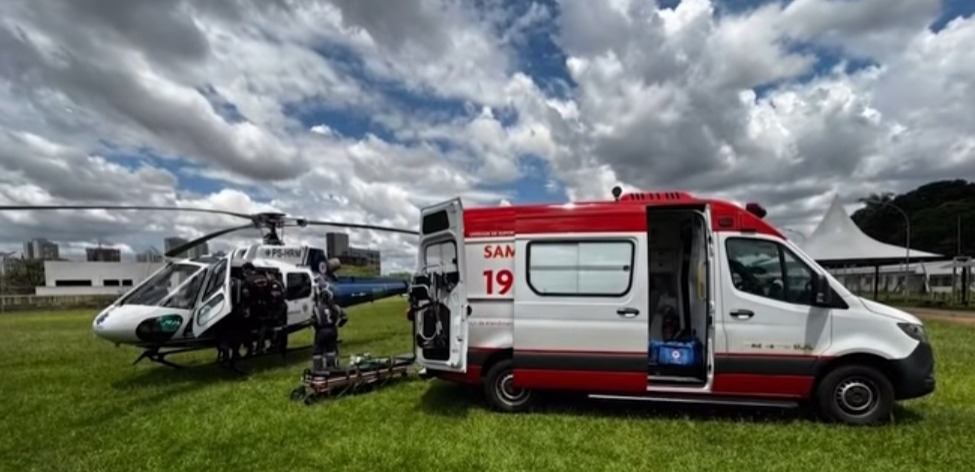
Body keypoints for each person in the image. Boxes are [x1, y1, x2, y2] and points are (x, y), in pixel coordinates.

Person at [239, 262, 286, 355]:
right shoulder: (266, 279)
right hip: (265, 307)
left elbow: (245, 295)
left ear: (247, 270)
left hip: (253, 308)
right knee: (263, 327)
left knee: (248, 328)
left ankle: (251, 348)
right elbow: (271, 293)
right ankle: (261, 346)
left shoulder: (247, 281)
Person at [310, 283, 348, 374]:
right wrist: (338, 325)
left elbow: (313, 321)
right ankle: (331, 369)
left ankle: (318, 370)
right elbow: (345, 317)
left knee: (318, 353)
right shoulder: (335, 307)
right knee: (331, 351)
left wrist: (317, 328)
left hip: (321, 332)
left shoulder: (316, 309)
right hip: (333, 331)